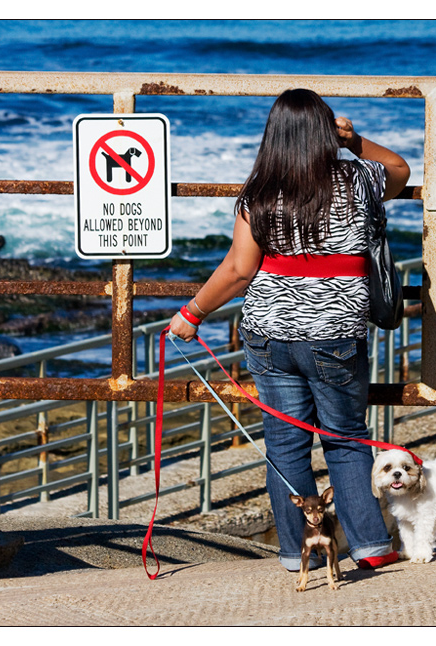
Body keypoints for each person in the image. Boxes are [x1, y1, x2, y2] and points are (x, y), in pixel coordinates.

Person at [168, 88, 411, 571]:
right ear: (328, 132)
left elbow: (239, 269)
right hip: (335, 335)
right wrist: (355, 141)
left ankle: (295, 553)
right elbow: (401, 172)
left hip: (269, 334)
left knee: (284, 444)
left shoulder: (258, 192)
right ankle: (369, 547)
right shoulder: (357, 179)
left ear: (272, 135)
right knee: (345, 437)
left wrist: (191, 314)